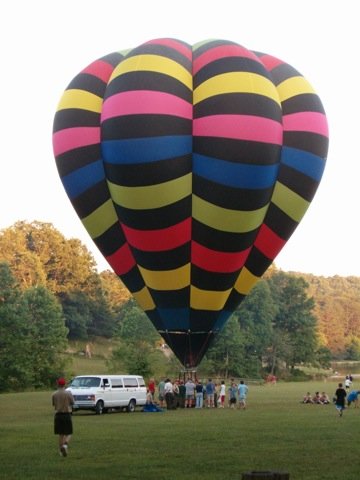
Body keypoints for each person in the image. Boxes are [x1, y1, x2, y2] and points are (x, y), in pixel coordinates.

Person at [52, 377, 74, 457]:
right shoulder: (68, 393)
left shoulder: (54, 394)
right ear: (64, 384)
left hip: (58, 415)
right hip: (66, 414)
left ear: (58, 384)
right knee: (69, 433)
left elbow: (54, 404)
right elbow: (72, 402)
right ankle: (65, 445)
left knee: (61, 434)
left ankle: (61, 451)